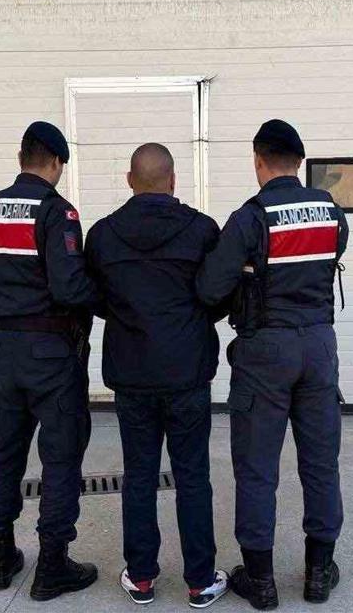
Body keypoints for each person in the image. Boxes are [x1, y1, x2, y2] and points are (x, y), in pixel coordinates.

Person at [196, 119, 350, 610]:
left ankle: (261, 582)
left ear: (258, 161)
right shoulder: (331, 212)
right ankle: (319, 574)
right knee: (321, 463)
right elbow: (328, 257)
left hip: (265, 351)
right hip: (319, 347)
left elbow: (210, 289)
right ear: (299, 163)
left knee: (257, 467)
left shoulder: (250, 218)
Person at [84, 143, 230, 609]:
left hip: (132, 374)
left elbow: (94, 296)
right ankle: (200, 581)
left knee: (139, 476)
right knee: (193, 476)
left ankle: (142, 577)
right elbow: (217, 296)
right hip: (187, 373)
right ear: (173, 180)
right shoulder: (203, 231)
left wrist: (129, 315)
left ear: (130, 180)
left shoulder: (102, 236)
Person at [0, 121, 101, 602]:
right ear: (56, 162)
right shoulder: (56, 212)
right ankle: (52, 566)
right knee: (61, 456)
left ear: (21, 157)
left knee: (5, 451)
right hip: (51, 353)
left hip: (4, 351)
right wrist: (104, 297)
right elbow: (69, 288)